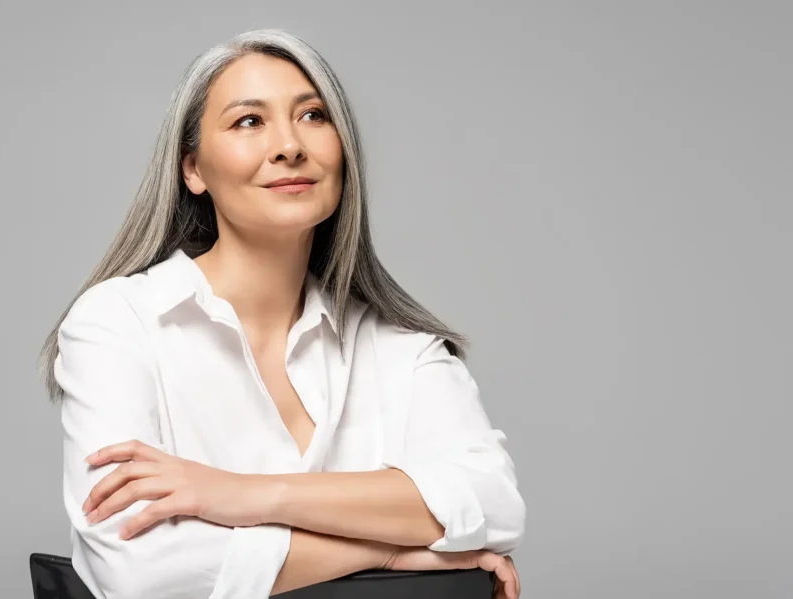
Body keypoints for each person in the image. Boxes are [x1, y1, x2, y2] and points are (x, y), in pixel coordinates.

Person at [38, 28, 525, 599]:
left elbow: (494, 504)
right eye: (249, 121)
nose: (289, 146)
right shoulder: (117, 323)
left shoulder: (402, 347)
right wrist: (390, 550)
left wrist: (245, 495)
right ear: (192, 169)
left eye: (314, 116)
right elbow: (139, 573)